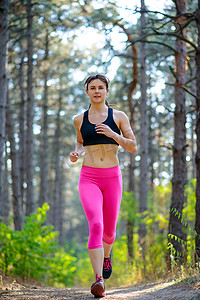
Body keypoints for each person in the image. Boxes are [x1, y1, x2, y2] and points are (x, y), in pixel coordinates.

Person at [69, 74, 137, 298]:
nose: (97, 91)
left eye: (101, 87)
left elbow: (133, 146)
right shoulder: (79, 119)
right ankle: (99, 280)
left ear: (107, 91)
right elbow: (80, 141)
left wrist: (113, 134)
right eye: (92, 88)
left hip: (112, 178)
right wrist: (76, 152)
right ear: (87, 92)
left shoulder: (118, 116)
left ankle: (107, 257)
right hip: (89, 177)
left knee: (109, 232)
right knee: (96, 225)